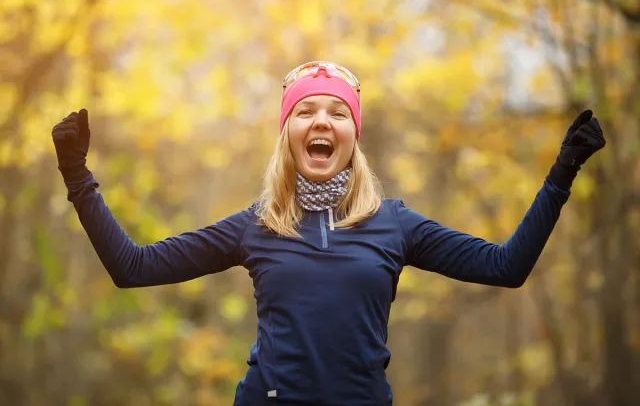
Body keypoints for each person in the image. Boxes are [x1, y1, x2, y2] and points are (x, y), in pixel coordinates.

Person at [51, 61, 606, 405]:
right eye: (306, 112)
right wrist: (78, 177)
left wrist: (562, 172)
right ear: (288, 133)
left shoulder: (395, 223)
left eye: (337, 113)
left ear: (353, 135)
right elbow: (134, 268)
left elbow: (505, 268)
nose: (322, 121)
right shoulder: (257, 224)